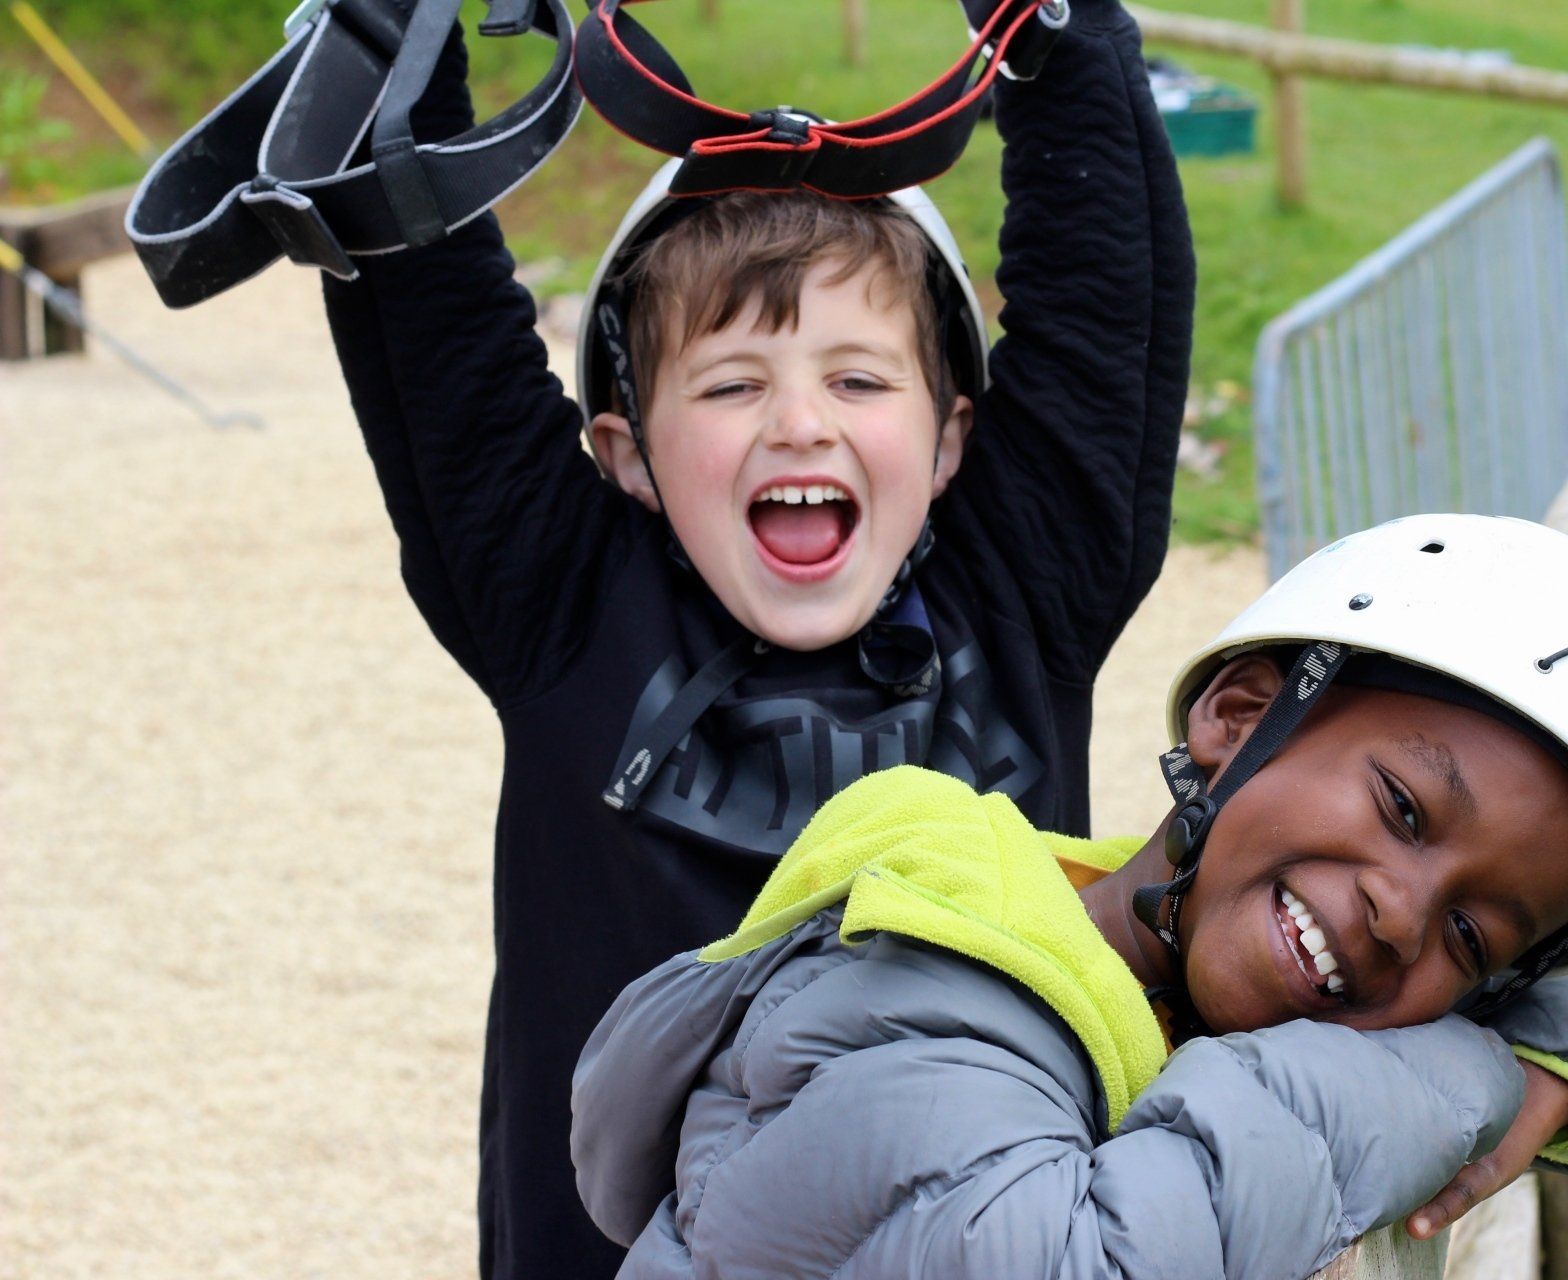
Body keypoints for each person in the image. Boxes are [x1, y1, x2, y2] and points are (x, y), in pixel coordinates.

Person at [318, 3, 1193, 1275]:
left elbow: (1106, 313)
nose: (798, 423)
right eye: (731, 384)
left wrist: (1056, 35)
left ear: (952, 439)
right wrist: (391, 43)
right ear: (625, 453)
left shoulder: (1021, 596)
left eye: (859, 379)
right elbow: (434, 326)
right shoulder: (561, 604)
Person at [571, 514, 1568, 1280]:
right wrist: (1463, 1071)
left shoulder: (1176, 946)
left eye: (1475, 933)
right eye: (1404, 807)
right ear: (1236, 717)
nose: (1400, 914)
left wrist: (1543, 1054)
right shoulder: (931, 992)